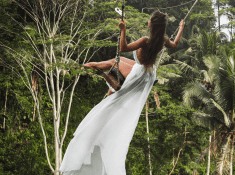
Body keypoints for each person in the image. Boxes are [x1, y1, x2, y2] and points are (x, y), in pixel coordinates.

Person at [59, 10, 184, 175]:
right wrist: (181, 28)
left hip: (139, 73)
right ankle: (108, 90)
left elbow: (123, 48)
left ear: (150, 25)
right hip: (149, 74)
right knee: (115, 66)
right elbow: (175, 44)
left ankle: (82, 67)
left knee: (110, 62)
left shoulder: (145, 40)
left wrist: (123, 29)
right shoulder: (163, 40)